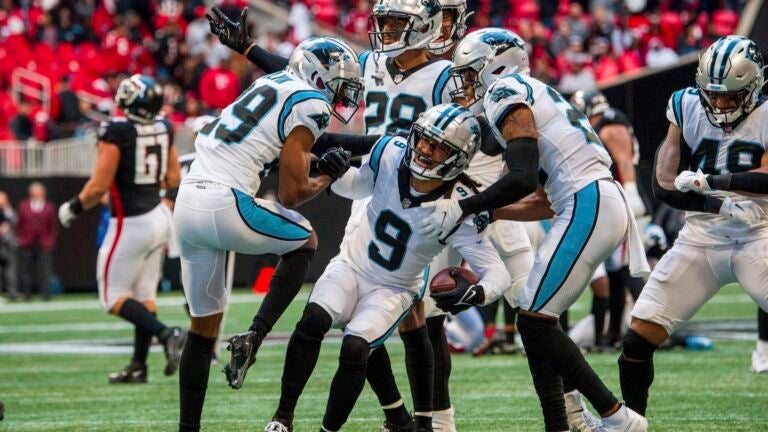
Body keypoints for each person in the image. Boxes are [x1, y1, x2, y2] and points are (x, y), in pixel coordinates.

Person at [207, 4, 466, 430]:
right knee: (364, 314)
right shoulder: (372, 63)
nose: (387, 31)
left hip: (420, 192)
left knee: (420, 315)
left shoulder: (443, 76)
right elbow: (311, 75)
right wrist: (250, 49)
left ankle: (436, 419)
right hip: (373, 185)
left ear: (422, 28)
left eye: (398, 23)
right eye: (385, 22)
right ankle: (398, 415)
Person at [421, 28, 650, 431]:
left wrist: (465, 205)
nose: (467, 84)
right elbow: (541, 198)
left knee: (533, 320)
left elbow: (523, 177)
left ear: (495, 67)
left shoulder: (506, 89)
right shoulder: (533, 94)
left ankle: (616, 418)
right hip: (586, 200)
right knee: (534, 319)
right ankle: (560, 426)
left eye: (472, 74)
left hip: (587, 201)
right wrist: (493, 215)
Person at [264, 103, 511, 432]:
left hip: (395, 288)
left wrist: (479, 292)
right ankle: (282, 418)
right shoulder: (391, 152)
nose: (424, 150)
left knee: (355, 347)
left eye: (437, 146)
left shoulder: (462, 204)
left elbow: (498, 273)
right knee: (312, 320)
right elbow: (355, 187)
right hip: (352, 264)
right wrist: (333, 170)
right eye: (423, 139)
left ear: (458, 157)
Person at [172, 36, 363, 432]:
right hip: (225, 203)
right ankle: (255, 337)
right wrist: (327, 173)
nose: (342, 93)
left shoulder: (269, 83)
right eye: (338, 82)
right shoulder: (310, 103)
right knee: (305, 240)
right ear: (316, 75)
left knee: (202, 329)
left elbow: (210, 134)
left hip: (187, 202)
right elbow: (292, 196)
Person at [618, 35, 768, 418]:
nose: (720, 104)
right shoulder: (685, 105)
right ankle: (631, 425)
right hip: (701, 239)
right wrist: (719, 203)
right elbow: (664, 184)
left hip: (759, 234)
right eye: (713, 94)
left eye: (731, 96)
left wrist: (716, 183)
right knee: (636, 341)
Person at [58, 74, 186, 384]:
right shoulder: (164, 127)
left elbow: (98, 185)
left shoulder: (116, 131)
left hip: (129, 222)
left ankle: (167, 334)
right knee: (144, 297)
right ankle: (139, 365)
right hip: (158, 216)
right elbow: (173, 179)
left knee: (111, 297)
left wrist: (73, 207)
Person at [570, 89, 648, 350]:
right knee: (615, 274)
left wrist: (632, 192)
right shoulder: (604, 124)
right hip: (611, 204)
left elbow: (624, 160)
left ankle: (648, 325)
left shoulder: (609, 123)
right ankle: (612, 336)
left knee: (625, 272)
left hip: (622, 203)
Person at [16, 182, 57, 301]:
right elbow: (19, 224)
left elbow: (53, 226)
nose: (37, 193)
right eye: (35, 191)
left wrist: (50, 241)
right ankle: (26, 295)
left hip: (43, 243)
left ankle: (45, 294)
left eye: (39, 191)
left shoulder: (49, 207)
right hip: (27, 243)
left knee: (44, 270)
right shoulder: (23, 205)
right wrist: (20, 238)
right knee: (25, 271)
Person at [0, 191, 17, 300]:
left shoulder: (10, 211)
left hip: (9, 244)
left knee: (10, 270)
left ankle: (12, 293)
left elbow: (15, 222)